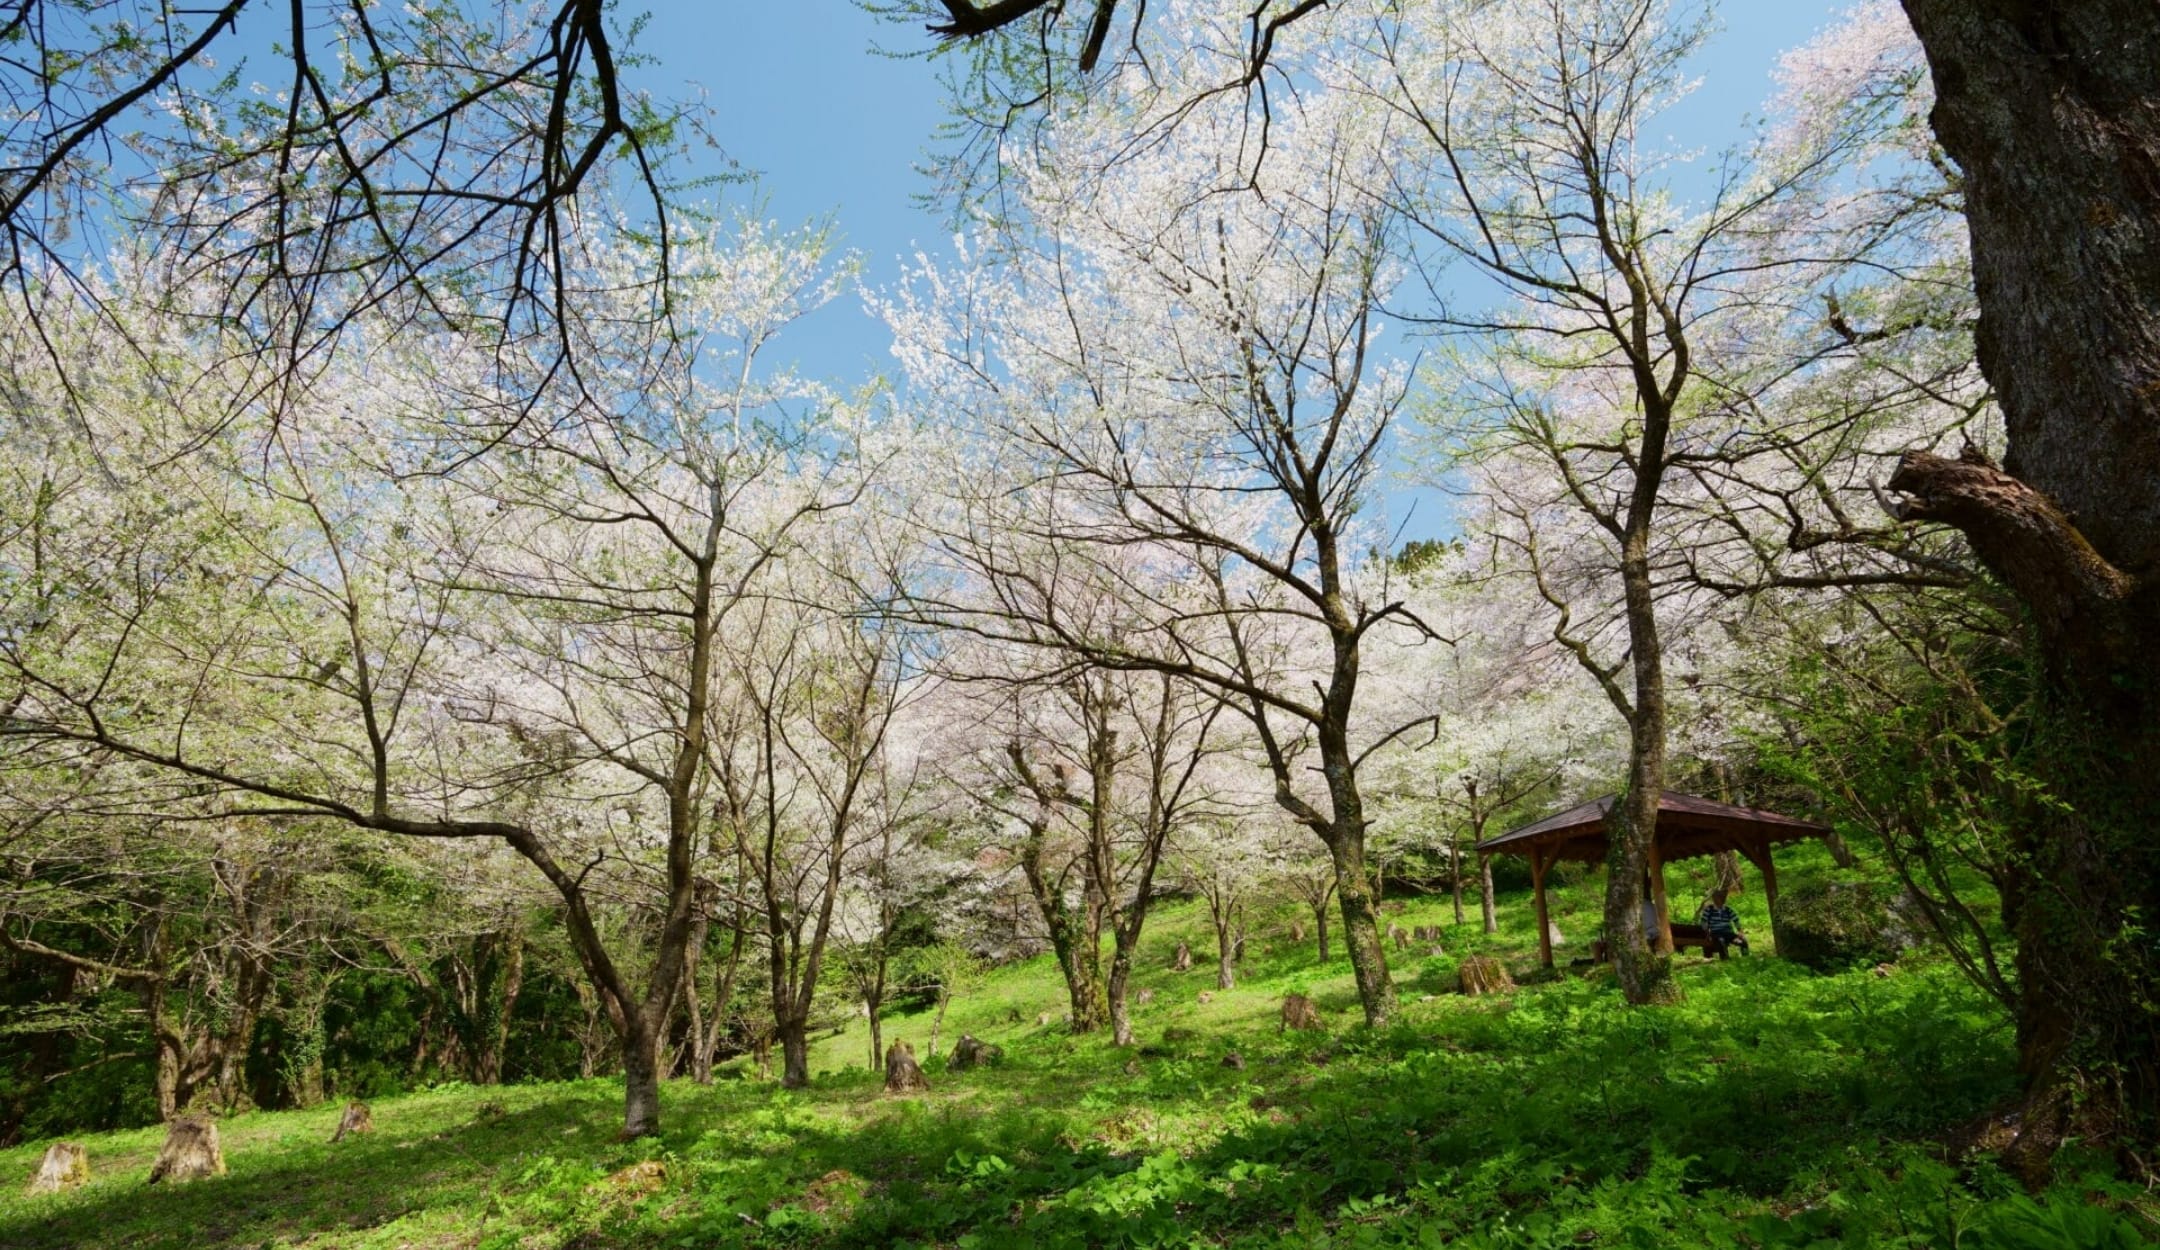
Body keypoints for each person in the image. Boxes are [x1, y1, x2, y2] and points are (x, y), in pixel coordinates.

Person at [1698, 889, 1749, 959]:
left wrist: (1740, 932)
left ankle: (1746, 958)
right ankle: (1725, 959)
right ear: (1714, 899)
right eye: (1717, 898)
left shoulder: (1727, 909)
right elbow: (1703, 921)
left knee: (1743, 941)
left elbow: (1736, 920)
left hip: (1729, 933)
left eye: (1721, 898)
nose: (1719, 900)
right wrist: (1706, 932)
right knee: (1721, 941)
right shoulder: (1709, 910)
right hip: (1716, 933)